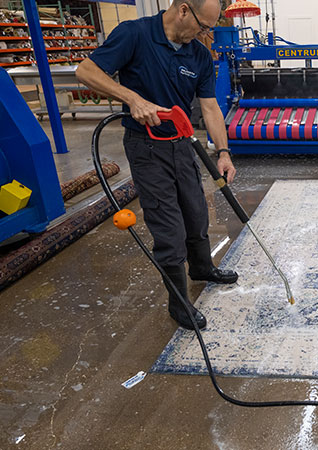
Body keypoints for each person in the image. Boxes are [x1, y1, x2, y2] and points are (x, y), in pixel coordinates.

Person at [76, 0, 237, 331]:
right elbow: (85, 71)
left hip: (182, 145)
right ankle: (179, 303)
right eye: (203, 26)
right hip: (146, 147)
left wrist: (223, 152)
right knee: (168, 224)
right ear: (182, 10)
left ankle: (202, 267)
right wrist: (132, 98)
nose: (205, 34)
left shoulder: (200, 55)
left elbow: (209, 108)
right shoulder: (135, 34)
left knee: (195, 211)